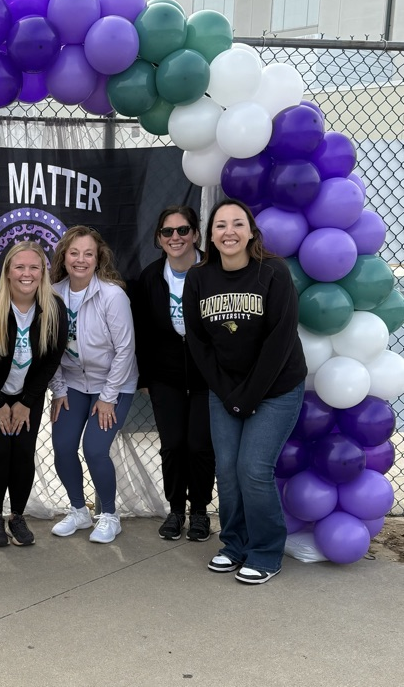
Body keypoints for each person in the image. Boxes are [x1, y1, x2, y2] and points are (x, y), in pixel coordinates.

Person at [182, 198, 307, 585]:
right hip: (227, 389)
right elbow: (199, 343)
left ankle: (266, 552)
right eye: (221, 226)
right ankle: (234, 543)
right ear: (211, 236)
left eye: (238, 224)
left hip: (276, 388)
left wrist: (248, 397)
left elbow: (279, 341)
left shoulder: (273, 272)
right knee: (228, 471)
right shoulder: (199, 278)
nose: (229, 232)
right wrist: (228, 393)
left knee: (253, 470)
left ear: (251, 231)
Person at [48, 226, 138, 543]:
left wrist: (109, 397)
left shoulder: (112, 295)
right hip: (72, 383)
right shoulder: (52, 293)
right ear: (64, 256)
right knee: (62, 446)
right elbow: (50, 349)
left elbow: (126, 349)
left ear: (98, 257)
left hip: (113, 384)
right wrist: (58, 389)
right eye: (74, 253)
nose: (81, 259)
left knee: (95, 449)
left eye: (88, 253)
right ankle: (78, 511)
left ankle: (110, 515)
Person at [133, 206, 215, 542]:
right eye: (168, 232)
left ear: (196, 234)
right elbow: (142, 331)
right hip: (164, 375)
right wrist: (144, 378)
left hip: (207, 375)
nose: (176, 237)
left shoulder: (214, 269)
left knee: (199, 444)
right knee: (173, 444)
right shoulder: (152, 277)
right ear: (159, 239)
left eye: (183, 230)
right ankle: (176, 510)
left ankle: (199, 511)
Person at [0, 241, 68, 547]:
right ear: (6, 272)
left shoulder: (53, 306)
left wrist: (27, 402)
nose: (27, 274)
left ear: (43, 272)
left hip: (28, 394)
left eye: (34, 267)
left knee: (22, 455)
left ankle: (17, 516)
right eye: (19, 267)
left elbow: (52, 357)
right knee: (0, 453)